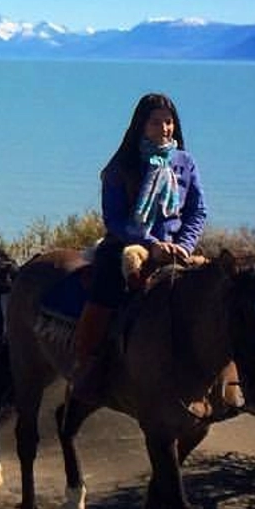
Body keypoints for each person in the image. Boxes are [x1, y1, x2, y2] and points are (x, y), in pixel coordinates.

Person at [72, 92, 207, 403]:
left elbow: (197, 211)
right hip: (126, 246)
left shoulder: (185, 163)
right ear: (141, 126)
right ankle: (89, 366)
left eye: (169, 121)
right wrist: (150, 244)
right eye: (156, 121)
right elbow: (114, 219)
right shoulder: (122, 166)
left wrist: (184, 245)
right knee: (106, 292)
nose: (164, 128)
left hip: (176, 250)